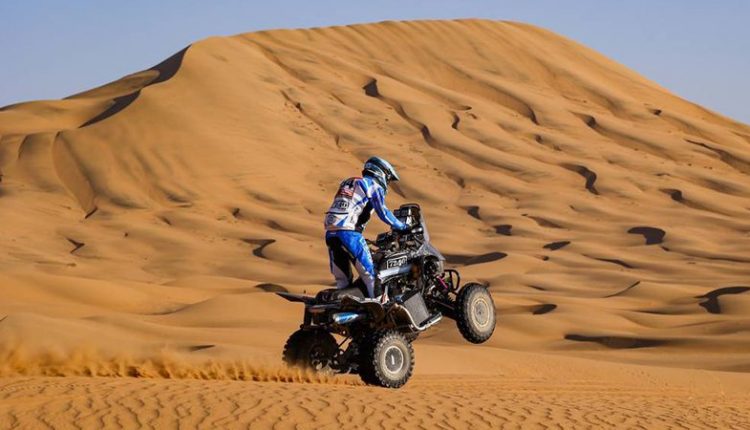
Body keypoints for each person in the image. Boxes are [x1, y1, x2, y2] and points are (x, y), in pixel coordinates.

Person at [324, 156, 410, 302]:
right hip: (349, 234)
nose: (387, 184)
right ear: (382, 173)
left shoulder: (349, 182)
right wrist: (402, 226)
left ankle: (342, 312)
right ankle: (379, 311)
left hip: (331, 234)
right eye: (388, 179)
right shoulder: (372, 185)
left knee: (343, 282)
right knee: (371, 276)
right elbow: (383, 212)